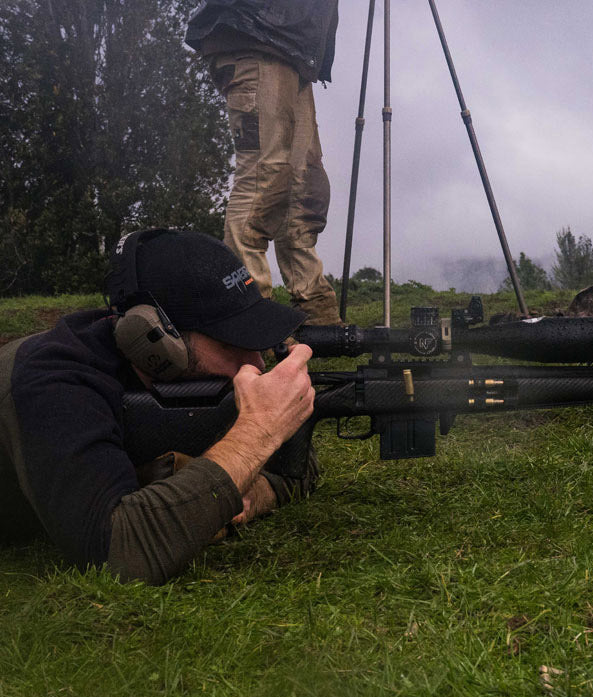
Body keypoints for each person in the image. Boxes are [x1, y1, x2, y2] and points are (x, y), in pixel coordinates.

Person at [0, 229, 317, 585]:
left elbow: (297, 467)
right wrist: (256, 433)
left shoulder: (189, 384)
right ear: (156, 338)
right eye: (234, 341)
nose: (256, 364)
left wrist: (250, 495)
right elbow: (117, 553)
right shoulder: (55, 383)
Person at [186, 0, 342, 326]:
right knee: (263, 179)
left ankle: (316, 312)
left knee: (304, 188)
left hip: (290, 49)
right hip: (255, 34)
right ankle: (250, 320)